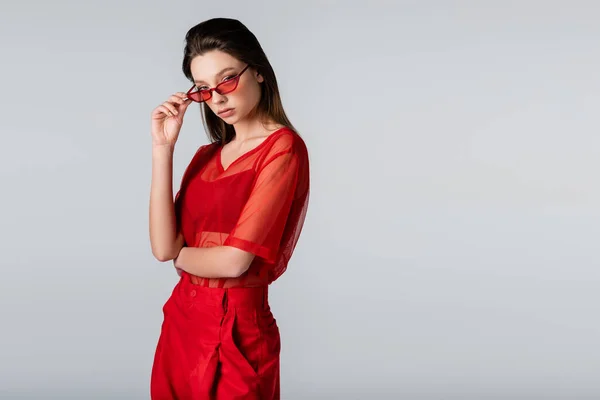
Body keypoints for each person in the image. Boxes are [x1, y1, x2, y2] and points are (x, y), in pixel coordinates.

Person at [148, 17, 310, 399]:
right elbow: (161, 248)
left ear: (258, 72)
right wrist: (162, 149)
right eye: (203, 89)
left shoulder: (282, 148)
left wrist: (182, 258)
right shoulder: (206, 157)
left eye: (227, 80)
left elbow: (235, 262)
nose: (217, 98)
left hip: (239, 330)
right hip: (182, 325)